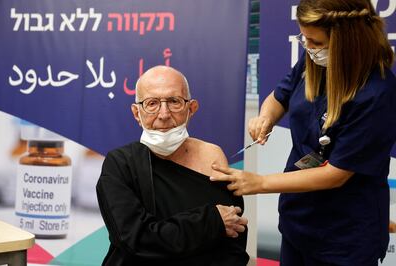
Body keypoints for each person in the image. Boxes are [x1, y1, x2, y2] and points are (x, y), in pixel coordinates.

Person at [211, 0, 396, 265]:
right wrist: (265, 117)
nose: (308, 48)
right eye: (304, 39)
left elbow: (336, 174)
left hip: (345, 234)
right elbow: (279, 97)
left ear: (348, 42)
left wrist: (260, 183)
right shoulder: (315, 63)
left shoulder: (377, 94)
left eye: (317, 43)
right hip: (299, 220)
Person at [96, 65, 249, 265]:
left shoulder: (211, 156)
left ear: (191, 108)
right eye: (152, 104)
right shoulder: (121, 164)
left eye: (174, 102)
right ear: (136, 113)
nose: (164, 114)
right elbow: (136, 239)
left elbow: (233, 236)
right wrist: (210, 222)